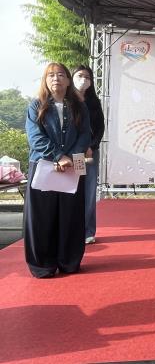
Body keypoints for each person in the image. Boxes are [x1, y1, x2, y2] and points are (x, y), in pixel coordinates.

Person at [24, 63, 91, 278]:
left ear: (68, 80)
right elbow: (35, 137)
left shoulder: (79, 107)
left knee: (72, 214)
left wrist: (70, 157)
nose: (56, 79)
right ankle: (43, 265)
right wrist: (58, 156)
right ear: (45, 80)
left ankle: (69, 261)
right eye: (51, 75)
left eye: (61, 75)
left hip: (74, 164)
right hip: (44, 165)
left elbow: (85, 135)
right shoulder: (36, 105)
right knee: (41, 217)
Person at [72, 65, 105, 245]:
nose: (83, 79)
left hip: (90, 153)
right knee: (75, 189)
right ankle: (72, 230)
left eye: (87, 77)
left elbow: (100, 127)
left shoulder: (94, 102)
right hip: (74, 154)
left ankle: (88, 231)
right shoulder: (67, 100)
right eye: (79, 75)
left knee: (89, 190)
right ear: (72, 78)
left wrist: (92, 146)